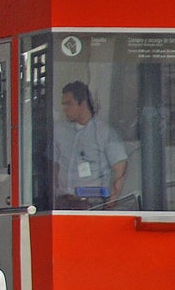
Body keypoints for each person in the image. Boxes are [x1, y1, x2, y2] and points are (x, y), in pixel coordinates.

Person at [52, 81, 129, 209]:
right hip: (63, 203)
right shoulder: (60, 130)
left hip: (91, 203)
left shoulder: (104, 132)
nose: (65, 109)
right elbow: (53, 164)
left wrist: (112, 199)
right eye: (63, 104)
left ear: (83, 104)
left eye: (69, 104)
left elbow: (120, 167)